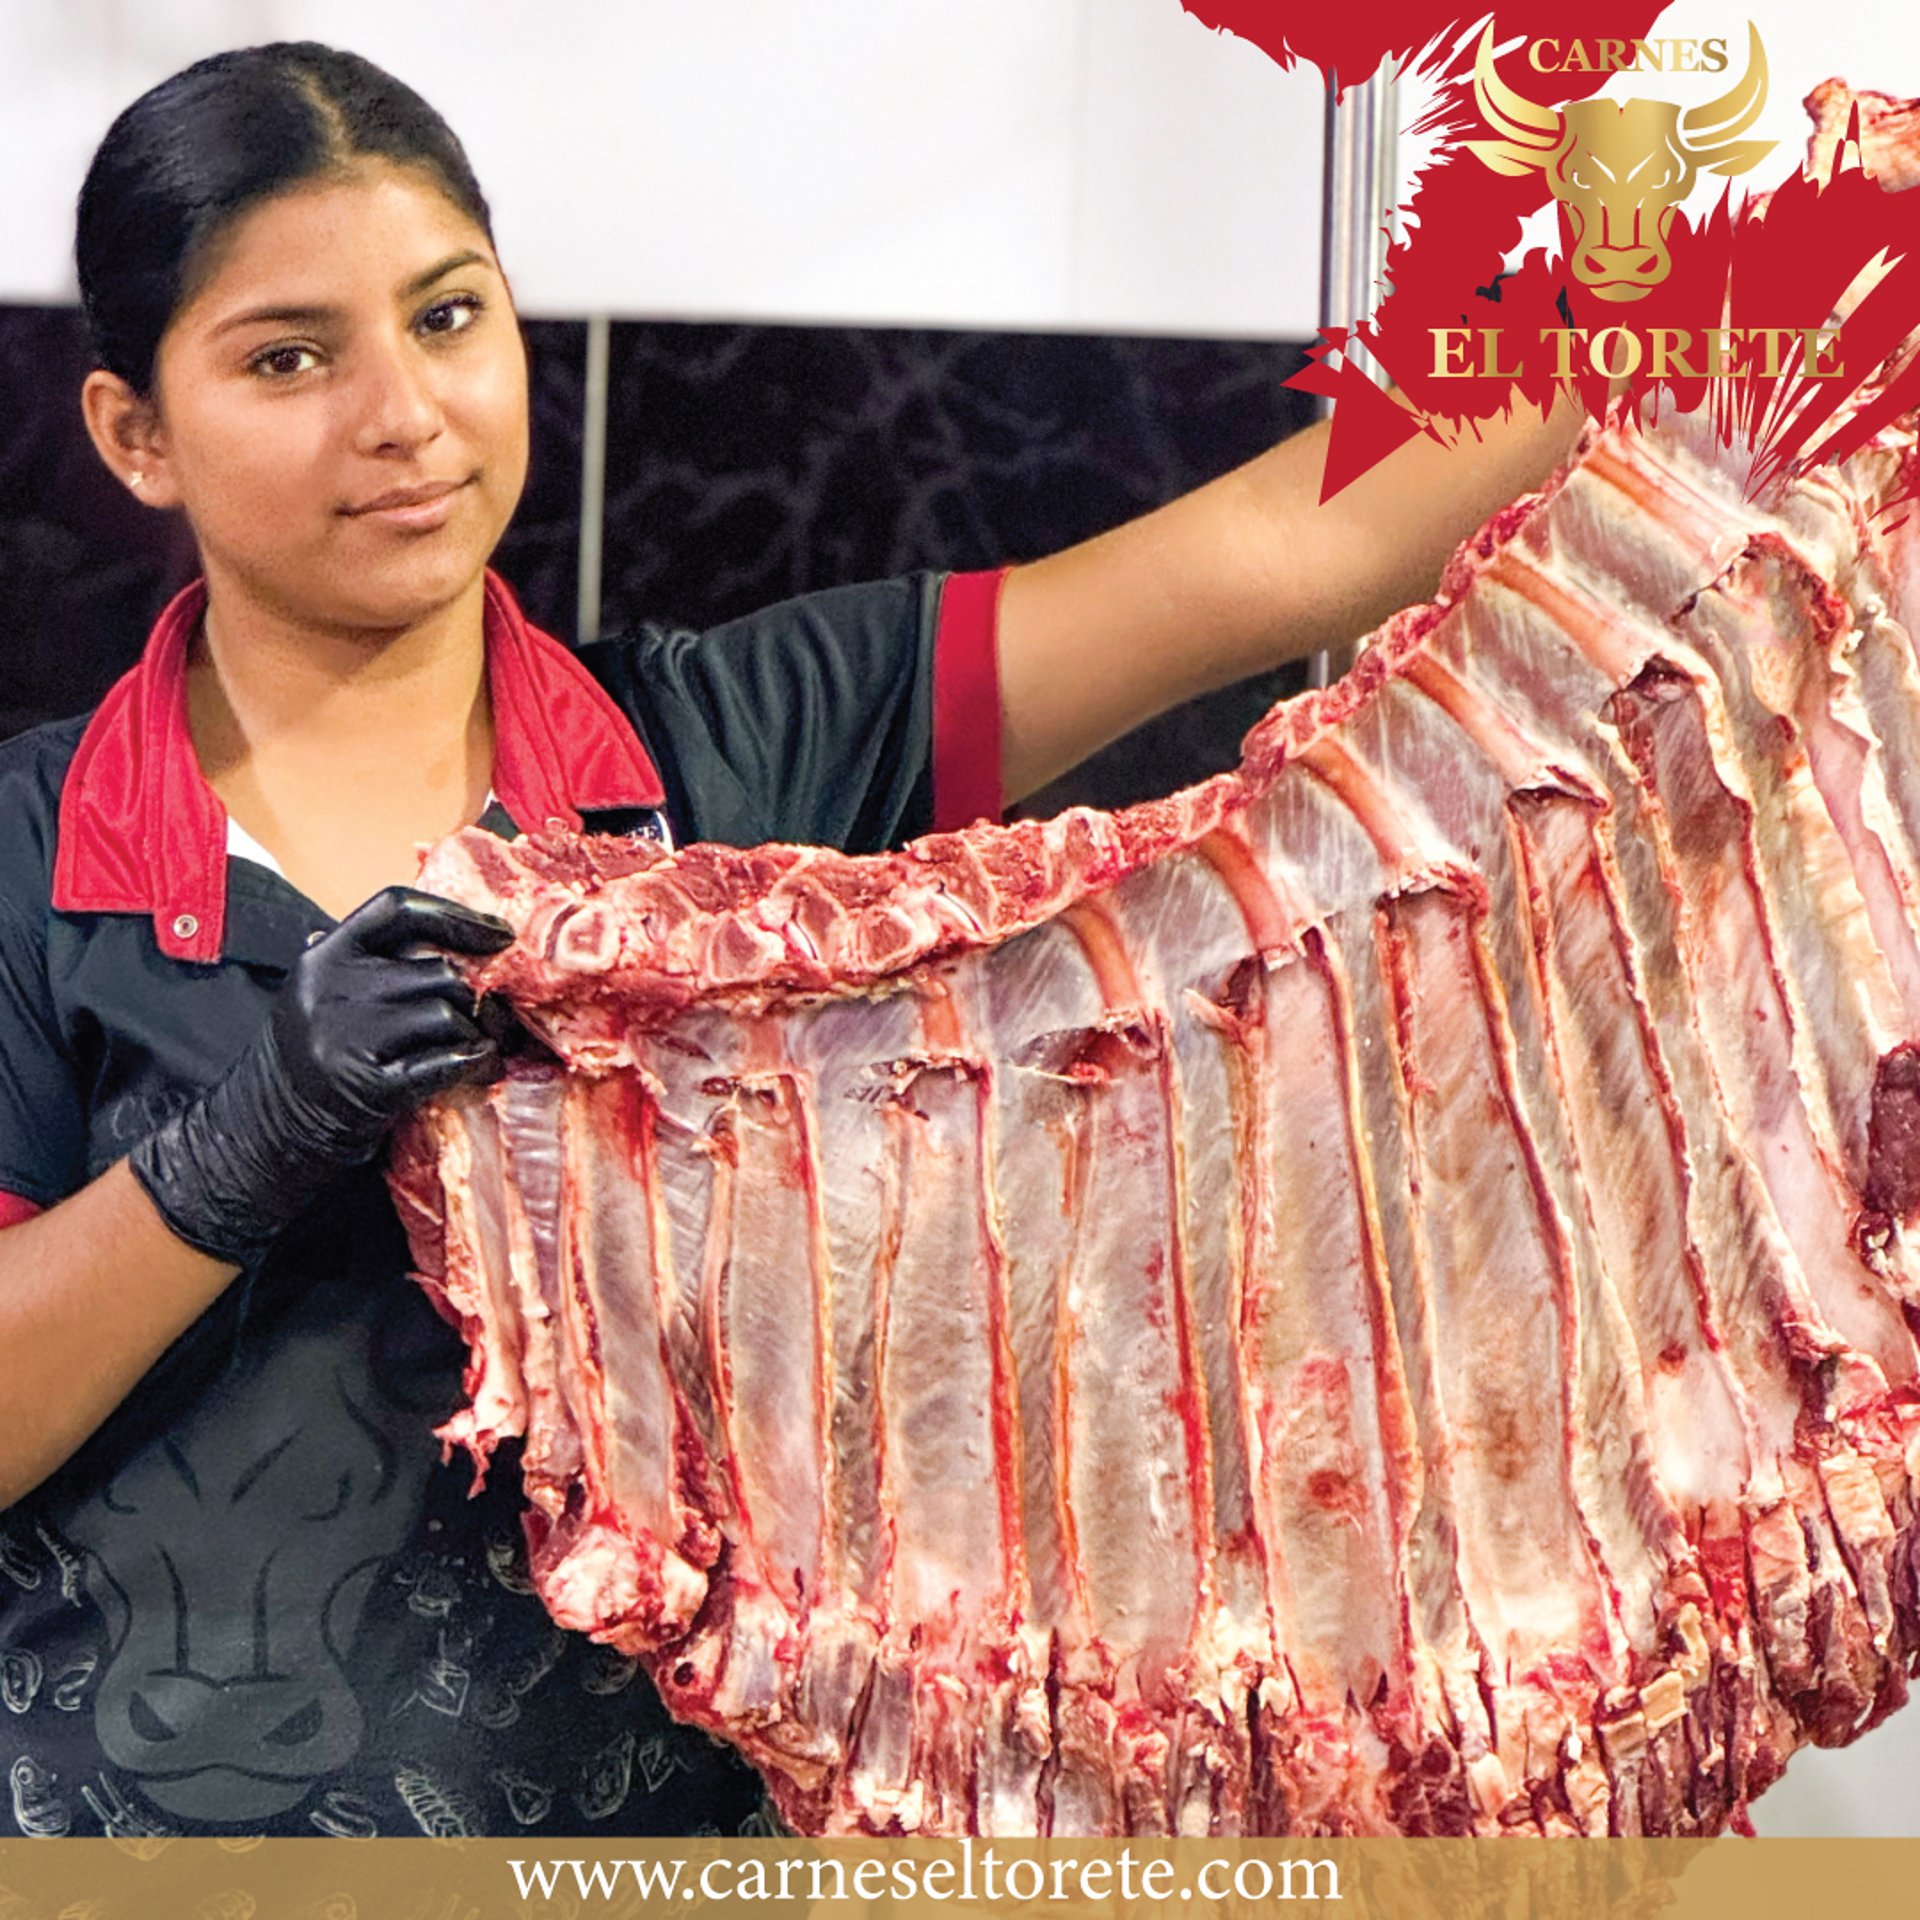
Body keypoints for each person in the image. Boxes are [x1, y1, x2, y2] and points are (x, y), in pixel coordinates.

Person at [0, 43, 1588, 1840]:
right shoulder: (26, 850)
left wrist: (1698, 270)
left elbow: (1286, 556)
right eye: (290, 357)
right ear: (136, 433)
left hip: (633, 1854)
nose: (402, 414)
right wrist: (248, 1138)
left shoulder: (745, 745)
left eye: (448, 318)